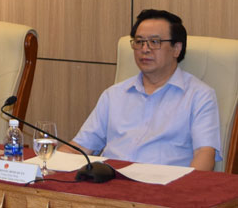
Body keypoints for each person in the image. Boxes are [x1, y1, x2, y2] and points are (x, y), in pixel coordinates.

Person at [61, 9, 222, 170]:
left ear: (176, 48)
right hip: (111, 185)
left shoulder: (199, 96)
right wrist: (44, 167)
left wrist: (186, 192)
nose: (145, 49)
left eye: (154, 42)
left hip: (165, 188)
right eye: (139, 42)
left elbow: (204, 154)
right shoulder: (114, 95)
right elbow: (80, 147)